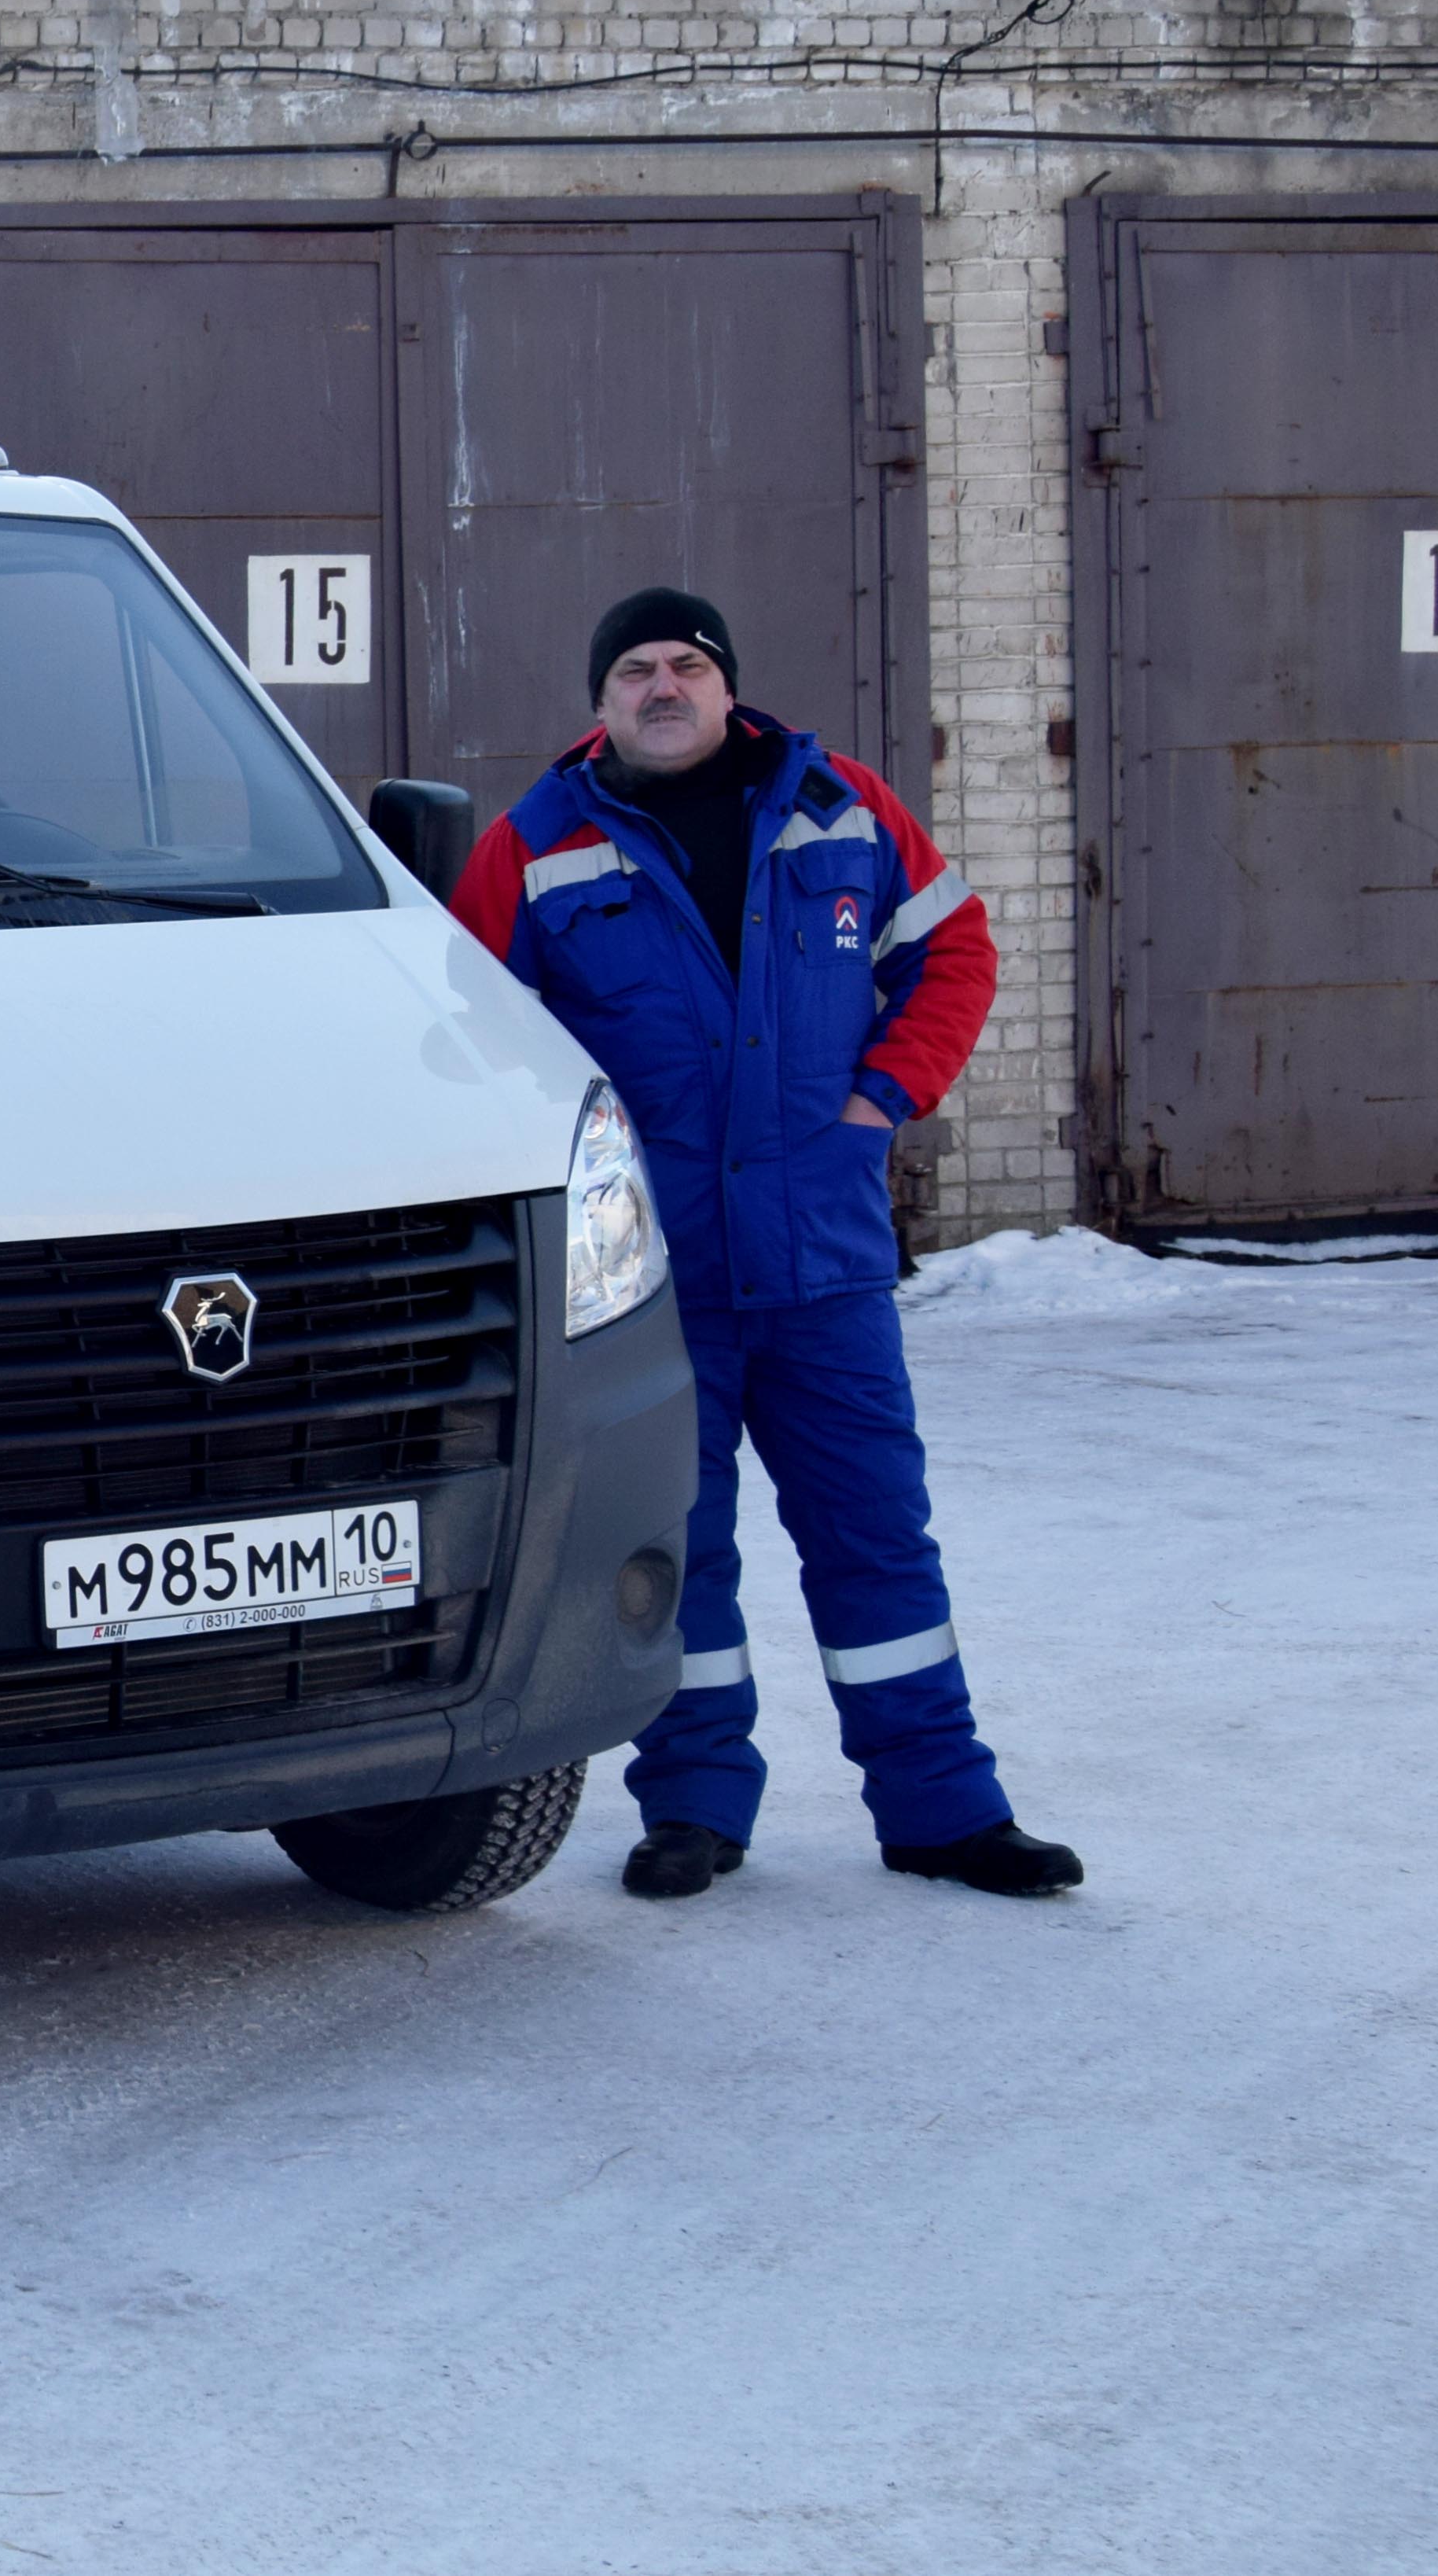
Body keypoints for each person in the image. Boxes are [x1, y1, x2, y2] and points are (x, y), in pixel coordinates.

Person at [451, 591, 1082, 1904]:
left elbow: (954, 952)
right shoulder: (537, 845)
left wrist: (877, 1107)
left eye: (688, 663)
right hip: (652, 1279)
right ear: (601, 698)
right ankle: (692, 1806)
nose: (664, 685)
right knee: (679, 1551)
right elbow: (474, 1034)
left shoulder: (842, 808)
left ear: (728, 684)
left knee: (877, 1541)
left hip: (825, 1264)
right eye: (636, 668)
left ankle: (944, 1810)